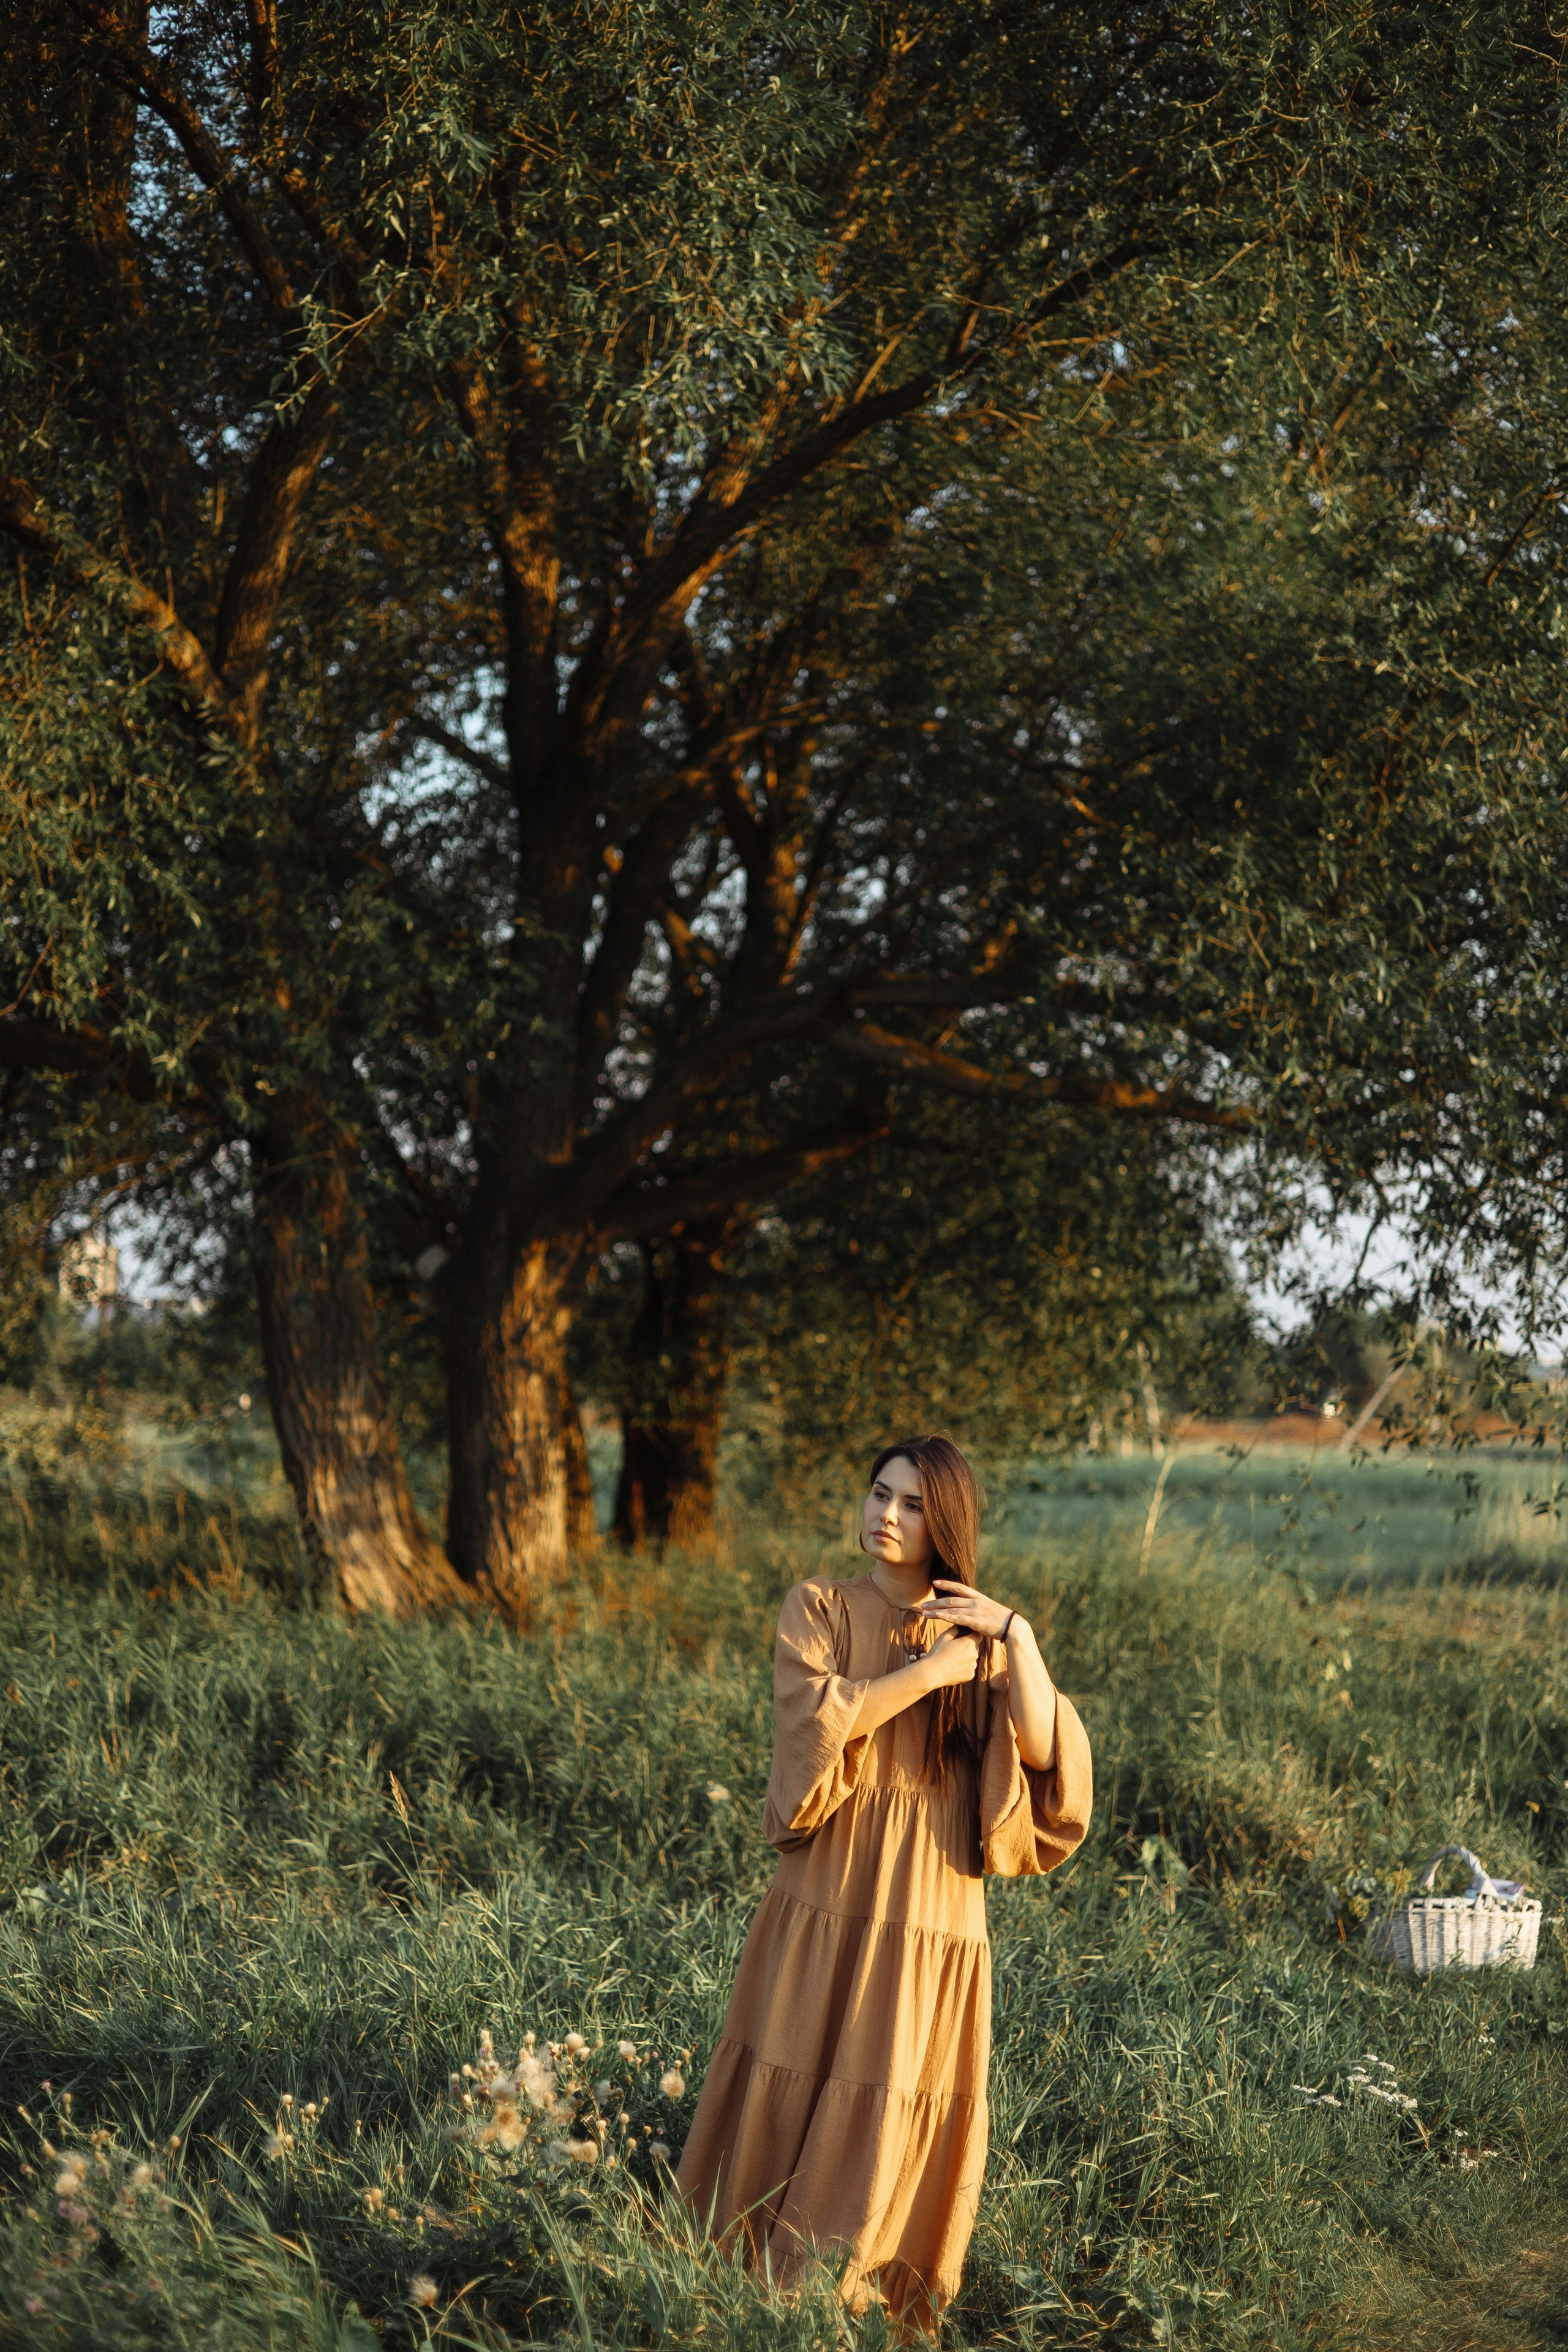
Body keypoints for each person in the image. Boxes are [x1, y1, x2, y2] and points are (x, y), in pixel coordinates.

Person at [676, 1433, 1092, 2329]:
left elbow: (1050, 1752)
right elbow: (818, 1724)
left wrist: (1013, 1637)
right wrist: (930, 1672)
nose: (886, 1517)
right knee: (793, 2061)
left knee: (894, 2082)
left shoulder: (983, 1635)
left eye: (909, 1504)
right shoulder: (820, 1607)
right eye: (878, 1495)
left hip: (931, 1907)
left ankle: (847, 2287)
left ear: (944, 1522)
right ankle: (740, 2274)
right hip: (829, 1890)